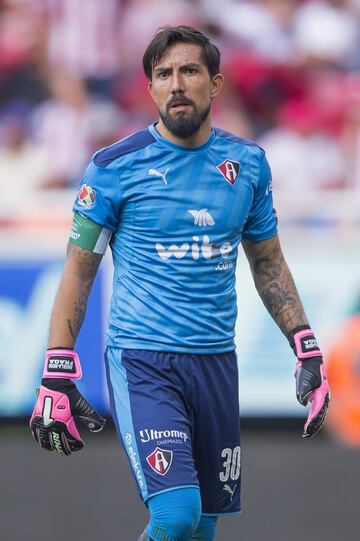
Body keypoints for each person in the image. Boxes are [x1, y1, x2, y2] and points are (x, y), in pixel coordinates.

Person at [30, 25, 330, 541]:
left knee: (203, 528)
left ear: (214, 84)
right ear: (149, 88)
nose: (176, 84)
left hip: (216, 361)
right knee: (175, 516)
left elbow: (269, 263)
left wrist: (306, 348)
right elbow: (79, 269)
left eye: (189, 71)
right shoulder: (112, 169)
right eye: (163, 74)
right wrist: (58, 367)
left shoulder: (248, 165)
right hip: (144, 360)